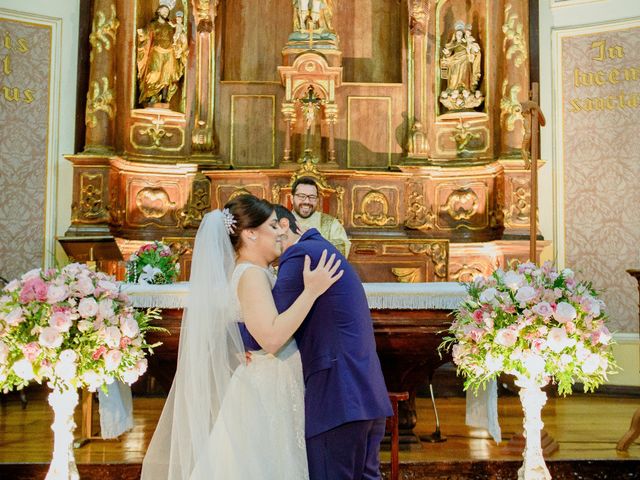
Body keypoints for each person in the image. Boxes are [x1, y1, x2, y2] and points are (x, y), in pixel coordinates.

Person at [141, 195, 343, 479]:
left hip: (268, 381)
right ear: (250, 233)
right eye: (272, 226)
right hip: (267, 388)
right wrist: (311, 292)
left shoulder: (255, 271)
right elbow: (271, 338)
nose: (280, 232)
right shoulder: (250, 275)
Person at [273, 204, 393, 480]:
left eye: (267, 228)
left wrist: (228, 339)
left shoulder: (300, 254)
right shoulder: (322, 249)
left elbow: (268, 328)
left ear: (282, 225)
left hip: (338, 400)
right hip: (364, 394)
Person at [136, 5, 188, 105]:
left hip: (169, 52)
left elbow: (176, 36)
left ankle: (164, 98)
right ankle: (150, 95)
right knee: (153, 73)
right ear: (158, 11)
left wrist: (180, 35)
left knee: (167, 75)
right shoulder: (153, 24)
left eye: (167, 12)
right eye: (163, 11)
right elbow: (146, 34)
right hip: (156, 51)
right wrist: (142, 33)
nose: (165, 13)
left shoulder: (170, 25)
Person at [291, 177, 351, 257]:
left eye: (312, 197)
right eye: (302, 196)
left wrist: (312, 243)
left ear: (317, 200)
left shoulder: (331, 224)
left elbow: (343, 248)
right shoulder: (280, 222)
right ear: (292, 199)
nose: (307, 201)